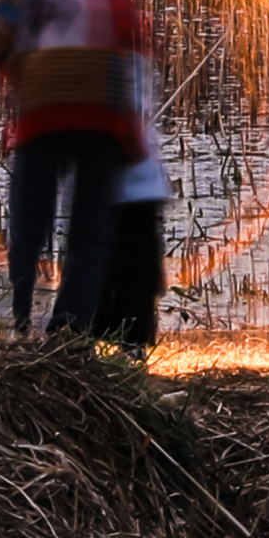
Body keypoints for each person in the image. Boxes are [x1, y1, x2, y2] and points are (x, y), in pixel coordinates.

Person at [0, 0, 144, 337]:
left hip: (42, 117)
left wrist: (15, 79)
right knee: (89, 233)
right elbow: (135, 42)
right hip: (102, 120)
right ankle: (70, 328)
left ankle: (17, 320)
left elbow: (1, 41)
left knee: (28, 227)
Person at [92, 46, 170, 354]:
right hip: (119, 187)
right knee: (126, 271)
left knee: (127, 271)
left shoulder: (116, 61)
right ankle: (124, 346)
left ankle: (128, 347)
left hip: (131, 187)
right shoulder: (124, 59)